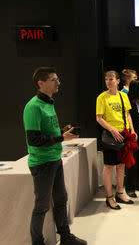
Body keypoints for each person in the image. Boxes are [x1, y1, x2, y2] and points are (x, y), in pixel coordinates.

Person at [23, 67, 87, 245]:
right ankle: (38, 242)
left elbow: (47, 132)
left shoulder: (49, 103)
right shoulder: (33, 106)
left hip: (54, 159)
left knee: (61, 200)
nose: (58, 82)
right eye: (53, 80)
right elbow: (34, 139)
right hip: (42, 163)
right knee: (42, 206)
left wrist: (62, 133)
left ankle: (65, 236)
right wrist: (61, 137)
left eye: (57, 79)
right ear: (41, 83)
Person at [96, 70, 136, 210]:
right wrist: (112, 130)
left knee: (121, 166)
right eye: (106, 79)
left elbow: (127, 114)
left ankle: (120, 193)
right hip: (111, 135)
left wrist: (132, 130)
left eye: (111, 79)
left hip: (123, 134)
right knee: (109, 167)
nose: (108, 81)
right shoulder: (102, 97)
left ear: (118, 81)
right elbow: (99, 118)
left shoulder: (123, 97)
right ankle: (109, 197)